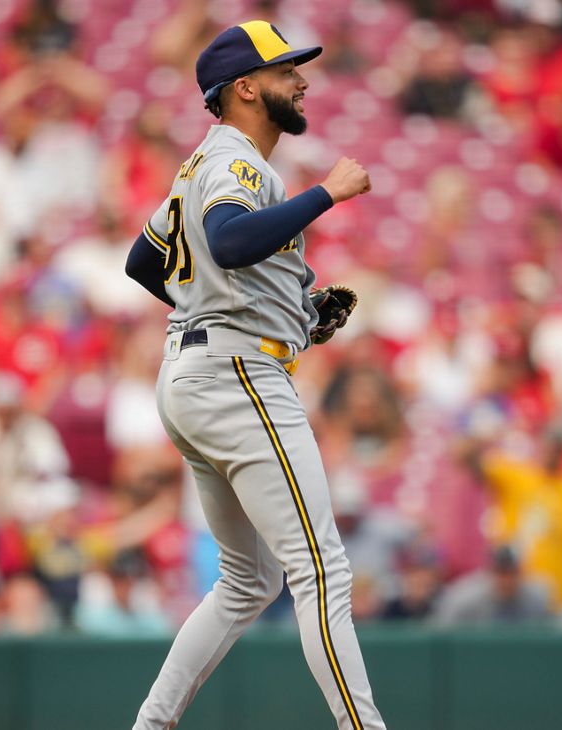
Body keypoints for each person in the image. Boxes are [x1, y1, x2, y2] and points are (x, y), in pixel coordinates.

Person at [122, 21, 385, 730]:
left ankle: (151, 724)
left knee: (249, 581)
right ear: (245, 88)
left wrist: (283, 312)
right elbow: (231, 240)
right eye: (285, 70)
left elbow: (144, 264)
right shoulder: (238, 160)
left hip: (197, 371)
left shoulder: (200, 163)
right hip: (235, 375)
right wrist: (327, 194)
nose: (301, 80)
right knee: (320, 569)